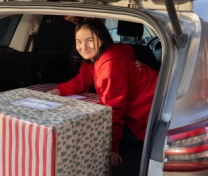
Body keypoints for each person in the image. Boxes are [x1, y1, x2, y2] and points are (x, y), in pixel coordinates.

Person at [48, 18, 159, 167]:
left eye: (89, 40)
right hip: (144, 108)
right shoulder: (96, 58)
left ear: (101, 39)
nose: (83, 47)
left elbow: (113, 110)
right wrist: (58, 91)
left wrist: (112, 149)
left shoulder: (111, 65)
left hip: (152, 115)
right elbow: (82, 80)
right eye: (78, 41)